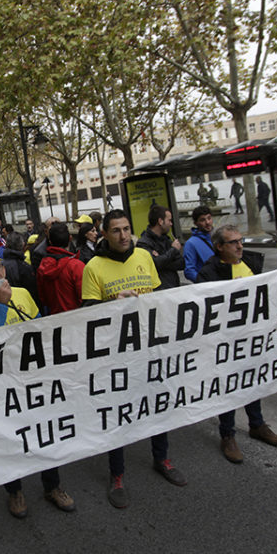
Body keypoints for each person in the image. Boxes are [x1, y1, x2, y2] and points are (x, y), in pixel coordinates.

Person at [81, 209, 186, 509]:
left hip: (149, 347)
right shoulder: (93, 267)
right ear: (104, 233)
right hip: (115, 355)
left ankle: (162, 458)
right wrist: (111, 304)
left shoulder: (143, 257)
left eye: (127, 228)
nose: (123, 235)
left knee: (157, 404)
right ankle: (117, 475)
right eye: (116, 230)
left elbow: (158, 297)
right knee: (117, 414)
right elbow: (86, 314)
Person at [0, 251, 74, 518]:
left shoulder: (23, 294)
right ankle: (14, 491)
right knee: (9, 439)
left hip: (33, 380)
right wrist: (1, 305)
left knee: (46, 434)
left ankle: (52, 486)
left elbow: (40, 330)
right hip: (3, 387)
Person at [196, 225, 277, 463]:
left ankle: (257, 424)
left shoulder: (251, 263)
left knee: (252, 380)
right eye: (233, 242)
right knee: (228, 386)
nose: (239, 246)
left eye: (240, 241)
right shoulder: (209, 272)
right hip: (226, 342)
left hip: (252, 337)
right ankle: (227, 434)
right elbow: (207, 309)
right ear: (219, 247)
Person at [36, 222, 84, 315]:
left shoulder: (42, 267)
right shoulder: (76, 266)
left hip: (55, 317)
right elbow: (85, 297)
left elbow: (43, 298)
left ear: (50, 241)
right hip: (77, 317)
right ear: (70, 238)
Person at [136, 204, 183, 290]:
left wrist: (162, 260)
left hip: (174, 288)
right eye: (169, 220)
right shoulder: (143, 243)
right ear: (161, 221)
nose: (171, 224)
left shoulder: (167, 240)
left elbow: (181, 263)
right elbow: (155, 264)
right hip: (158, 291)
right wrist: (173, 250)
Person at [0, 232, 40, 309]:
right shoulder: (24, 267)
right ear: (22, 245)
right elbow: (32, 292)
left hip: (5, 305)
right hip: (23, 306)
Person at [182, 206, 215, 283]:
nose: (207, 222)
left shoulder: (217, 237)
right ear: (195, 223)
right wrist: (204, 282)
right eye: (203, 220)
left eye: (209, 218)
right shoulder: (191, 243)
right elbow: (189, 271)